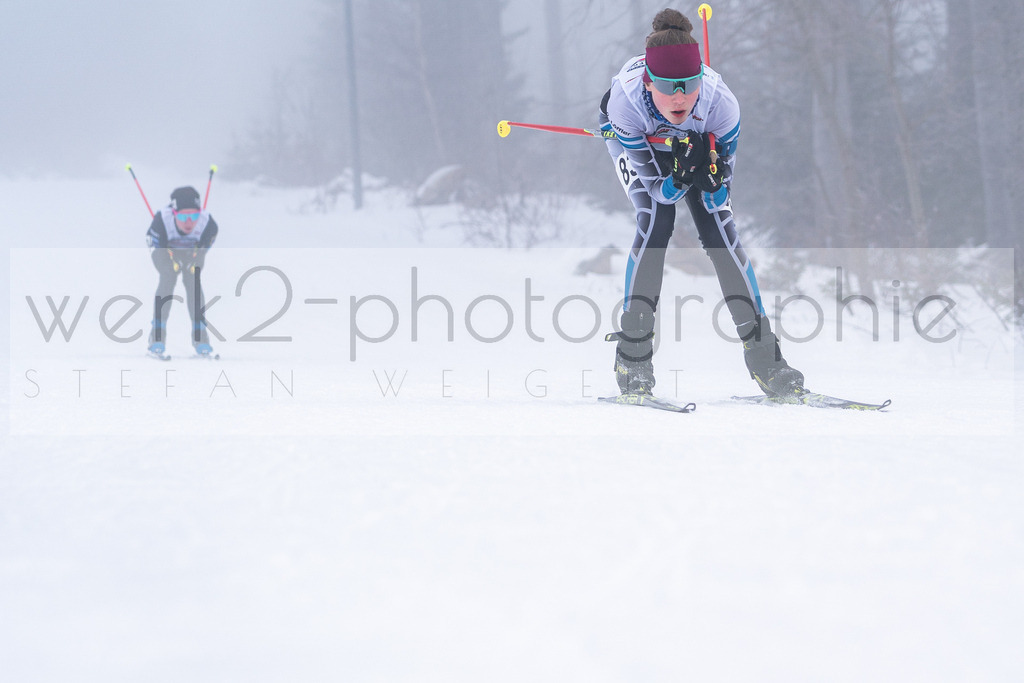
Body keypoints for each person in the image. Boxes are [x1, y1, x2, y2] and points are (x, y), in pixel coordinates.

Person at [598, 8, 804, 398]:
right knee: (656, 221)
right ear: (649, 81)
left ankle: (767, 363)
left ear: (700, 81)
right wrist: (677, 181)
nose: (680, 98)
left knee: (719, 229)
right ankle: (633, 359)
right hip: (639, 142)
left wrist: (711, 182)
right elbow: (657, 190)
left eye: (689, 86)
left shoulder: (722, 105)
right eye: (669, 88)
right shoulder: (624, 105)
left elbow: (721, 190)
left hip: (697, 141)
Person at [145, 186, 218, 357]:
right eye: (183, 216)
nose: (189, 222)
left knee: (193, 279)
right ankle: (156, 337)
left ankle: (201, 338)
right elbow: (155, 245)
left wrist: (197, 255)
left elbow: (204, 247)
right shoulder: (162, 220)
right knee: (168, 276)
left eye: (194, 216)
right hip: (164, 249)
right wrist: (170, 260)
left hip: (191, 252)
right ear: (174, 213)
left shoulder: (208, 224)